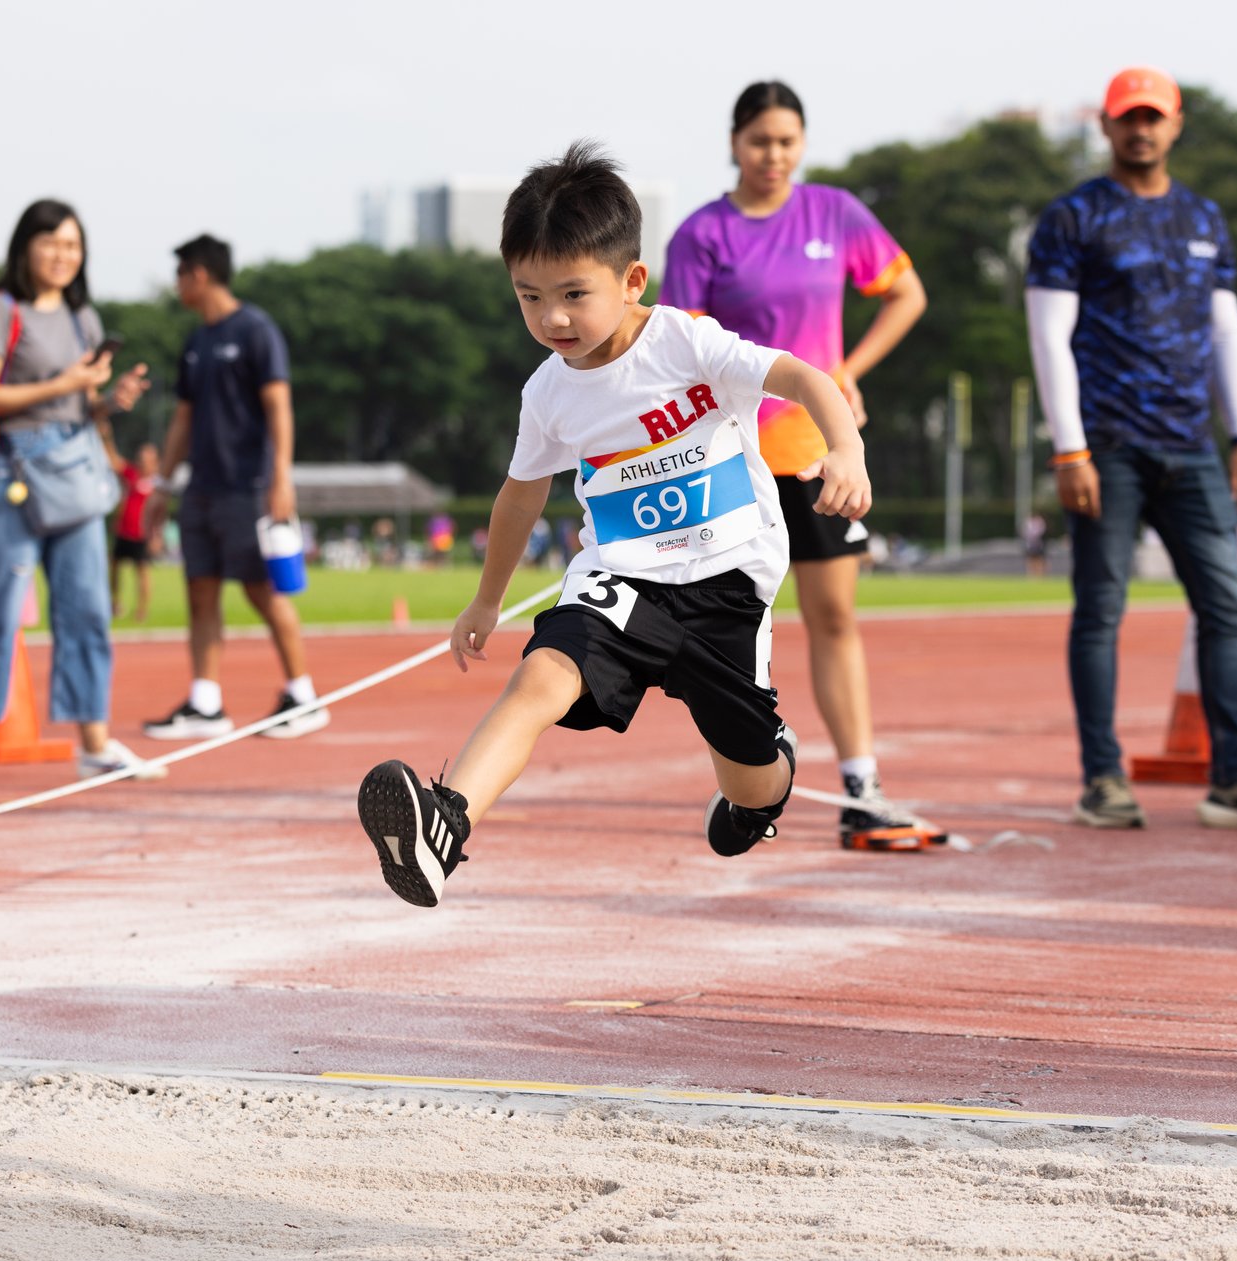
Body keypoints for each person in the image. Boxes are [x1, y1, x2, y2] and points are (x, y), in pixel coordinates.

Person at [355, 142, 872, 908]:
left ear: (632, 281)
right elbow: (520, 497)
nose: (552, 317)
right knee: (542, 675)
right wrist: (486, 600)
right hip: (622, 577)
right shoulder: (549, 395)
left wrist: (847, 447)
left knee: (750, 773)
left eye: (572, 293)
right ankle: (444, 826)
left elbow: (801, 375)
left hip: (726, 580)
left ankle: (765, 791)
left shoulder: (685, 342)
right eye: (528, 297)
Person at [1025, 67, 1237, 833]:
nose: (1142, 130)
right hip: (1110, 447)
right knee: (1100, 610)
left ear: (1176, 124)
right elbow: (1049, 337)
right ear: (1106, 125)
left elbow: (1228, 330)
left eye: (1154, 117)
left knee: (1225, 605)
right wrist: (1070, 449)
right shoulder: (1074, 218)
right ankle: (1103, 779)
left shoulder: (1203, 217)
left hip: (1192, 447)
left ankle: (1234, 779)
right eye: (1129, 118)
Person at [662, 81, 940, 853]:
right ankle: (753, 777)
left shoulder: (836, 215)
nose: (773, 156)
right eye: (759, 141)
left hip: (819, 453)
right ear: (733, 143)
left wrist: (850, 369)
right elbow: (680, 351)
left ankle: (861, 785)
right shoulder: (700, 234)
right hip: (732, 461)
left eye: (787, 141)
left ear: (803, 145)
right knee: (731, 623)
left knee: (835, 618)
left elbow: (906, 293)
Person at [0, 200, 159, 788]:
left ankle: (95, 742)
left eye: (73, 245)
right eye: (51, 243)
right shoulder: (0, 310)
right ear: (25, 247)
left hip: (75, 469)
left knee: (86, 610)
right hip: (14, 472)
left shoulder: (85, 319)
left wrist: (109, 401)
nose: (62, 256)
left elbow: (79, 405)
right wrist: (66, 383)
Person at [143, 234, 324, 742]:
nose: (177, 285)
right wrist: (162, 483)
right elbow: (183, 418)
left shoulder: (254, 330)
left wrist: (280, 477)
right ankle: (206, 702)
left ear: (199, 275)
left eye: (180, 275)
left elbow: (278, 406)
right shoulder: (197, 341)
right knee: (199, 591)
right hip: (201, 485)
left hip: (248, 486)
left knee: (262, 590)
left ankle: (304, 695)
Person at [112, 442, 165, 622]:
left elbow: (161, 511)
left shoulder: (158, 481)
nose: (142, 461)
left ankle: (142, 610)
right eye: (140, 458)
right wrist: (105, 437)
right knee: (113, 567)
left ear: (154, 461)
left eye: (147, 458)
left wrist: (157, 536)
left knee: (142, 573)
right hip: (124, 532)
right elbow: (114, 461)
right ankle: (114, 603)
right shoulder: (132, 474)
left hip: (143, 535)